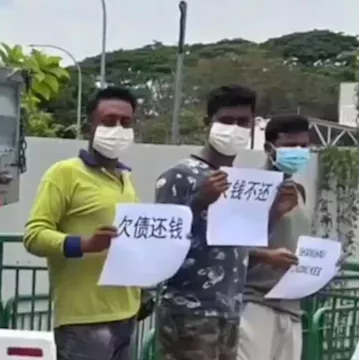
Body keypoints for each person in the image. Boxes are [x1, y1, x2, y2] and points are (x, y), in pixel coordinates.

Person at [154, 85, 299, 360]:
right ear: (207, 123)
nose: (235, 128)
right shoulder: (180, 176)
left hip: (230, 310)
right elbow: (161, 241)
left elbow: (240, 242)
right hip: (189, 312)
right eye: (226, 120)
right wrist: (200, 201)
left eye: (243, 122)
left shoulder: (239, 180)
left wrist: (275, 213)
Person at [23, 86, 141, 360]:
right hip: (83, 320)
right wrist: (84, 244)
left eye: (126, 122)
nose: (118, 129)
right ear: (90, 124)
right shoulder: (64, 173)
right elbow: (34, 235)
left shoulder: (126, 179)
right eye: (109, 121)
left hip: (127, 314)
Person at [238, 114, 311, 360]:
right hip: (255, 303)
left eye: (304, 146)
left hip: (291, 307)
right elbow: (231, 245)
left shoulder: (298, 191)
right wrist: (273, 216)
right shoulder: (250, 188)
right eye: (291, 146)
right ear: (270, 148)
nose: (299, 152)